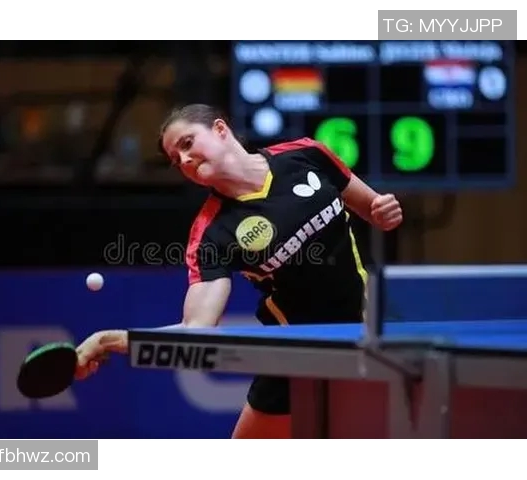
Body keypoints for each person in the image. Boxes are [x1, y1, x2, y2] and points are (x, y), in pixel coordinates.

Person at [73, 103, 403, 438]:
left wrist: (384, 212)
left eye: (187, 143)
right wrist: (108, 340)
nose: (184, 160)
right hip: (298, 354)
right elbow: (197, 331)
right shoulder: (212, 234)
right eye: (175, 159)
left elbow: (373, 209)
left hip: (370, 333)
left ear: (220, 129)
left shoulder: (307, 155)